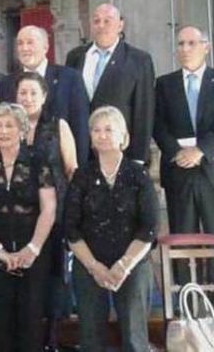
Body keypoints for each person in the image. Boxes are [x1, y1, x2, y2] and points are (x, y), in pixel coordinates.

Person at [65, 106, 158, 352]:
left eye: (108, 129)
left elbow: (149, 227)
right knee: (91, 339)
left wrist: (123, 265)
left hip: (132, 262)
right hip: (89, 263)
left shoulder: (139, 174)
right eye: (96, 130)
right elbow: (71, 228)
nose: (102, 135)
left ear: (123, 136)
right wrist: (95, 267)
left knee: (134, 339)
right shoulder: (81, 176)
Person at [0, 103, 57, 352]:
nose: (4, 130)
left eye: (10, 125)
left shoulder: (38, 160)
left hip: (34, 251)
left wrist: (32, 249)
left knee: (30, 319)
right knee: (0, 321)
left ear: (21, 129)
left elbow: (49, 208)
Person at [14, 71, 79, 351]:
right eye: (22, 93)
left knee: (53, 274)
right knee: (24, 275)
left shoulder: (58, 125)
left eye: (32, 93)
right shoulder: (7, 125)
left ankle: (52, 336)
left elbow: (72, 168)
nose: (27, 98)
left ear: (43, 96)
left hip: (55, 211)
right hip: (16, 213)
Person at [65, 3, 155, 164]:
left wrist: (138, 158)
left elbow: (144, 110)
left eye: (107, 21)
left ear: (120, 25)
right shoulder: (75, 57)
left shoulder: (138, 60)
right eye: (96, 21)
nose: (101, 26)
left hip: (120, 152)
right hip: (80, 152)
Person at [154, 26, 214, 237]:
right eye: (180, 43)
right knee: (182, 238)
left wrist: (201, 150)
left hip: (210, 167)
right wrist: (176, 152)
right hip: (177, 171)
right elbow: (157, 124)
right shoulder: (164, 84)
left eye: (191, 43)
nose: (185, 49)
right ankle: (184, 273)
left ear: (206, 47)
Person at [2, 25, 90, 167]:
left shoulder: (70, 78)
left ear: (45, 47)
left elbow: (80, 127)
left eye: (30, 42)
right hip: (18, 171)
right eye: (20, 43)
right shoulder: (6, 83)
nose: (24, 48)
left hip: (59, 169)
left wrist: (80, 173)